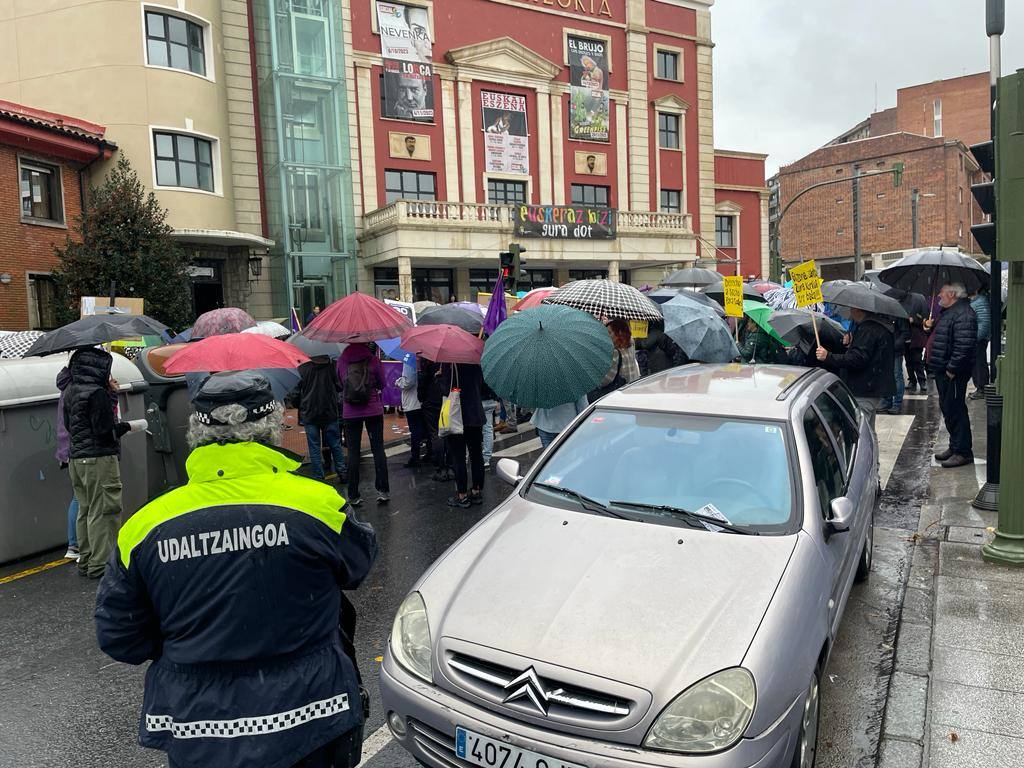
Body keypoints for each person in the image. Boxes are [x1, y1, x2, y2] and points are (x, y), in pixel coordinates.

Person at [95, 371, 377, 768]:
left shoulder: (145, 526)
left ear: (197, 433)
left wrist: (193, 646)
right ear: (273, 427)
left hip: (199, 726)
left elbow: (119, 636)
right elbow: (358, 566)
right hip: (311, 716)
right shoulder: (318, 504)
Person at [64, 348, 131, 579]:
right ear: (99, 369)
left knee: (85, 509)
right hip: (98, 458)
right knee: (104, 510)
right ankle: (102, 564)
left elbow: (69, 425)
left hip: (76, 459)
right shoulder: (97, 393)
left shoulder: (70, 390)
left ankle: (87, 560)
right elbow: (105, 431)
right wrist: (126, 427)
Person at [815, 308, 896, 433]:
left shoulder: (868, 329)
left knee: (861, 432)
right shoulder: (873, 326)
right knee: (869, 431)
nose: (850, 312)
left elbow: (857, 359)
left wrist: (828, 356)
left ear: (858, 310)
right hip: (870, 387)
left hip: (864, 388)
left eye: (852, 309)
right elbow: (864, 353)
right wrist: (851, 345)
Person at [925, 283, 978, 468]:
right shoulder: (949, 312)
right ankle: (955, 446)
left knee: (955, 410)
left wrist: (952, 369)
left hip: (953, 373)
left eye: (942, 291)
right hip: (944, 370)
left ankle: (963, 452)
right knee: (948, 409)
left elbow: (964, 345)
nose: (939, 294)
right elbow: (942, 337)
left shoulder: (964, 314)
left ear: (952, 294)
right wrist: (928, 327)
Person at [337, 344, 390, 505]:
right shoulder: (373, 360)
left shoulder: (342, 361)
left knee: (353, 452)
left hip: (350, 412)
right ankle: (383, 490)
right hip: (373, 409)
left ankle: (353, 494)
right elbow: (382, 383)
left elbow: (340, 384)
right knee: (378, 449)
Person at [442, 362, 486, 508]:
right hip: (475, 414)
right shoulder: (475, 361)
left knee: (458, 456)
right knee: (476, 454)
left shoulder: (450, 363)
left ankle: (462, 494)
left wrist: (439, 377)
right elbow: (481, 385)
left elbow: (445, 389)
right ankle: (476, 490)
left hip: (458, 415)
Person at [298, 354, 346, 483]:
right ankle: (342, 472)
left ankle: (318, 477)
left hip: (310, 412)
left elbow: (296, 392)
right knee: (335, 444)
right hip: (329, 410)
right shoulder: (331, 367)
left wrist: (301, 405)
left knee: (314, 447)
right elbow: (339, 387)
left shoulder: (303, 368)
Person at [55, 367, 79, 561]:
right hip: (78, 449)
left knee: (77, 497)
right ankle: (76, 544)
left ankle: (74, 544)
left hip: (66, 449)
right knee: (82, 498)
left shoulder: (65, 387)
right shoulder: (76, 388)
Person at [589, 319, 640, 402]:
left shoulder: (615, 352)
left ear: (619, 333)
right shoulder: (630, 344)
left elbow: (606, 380)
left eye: (609, 332)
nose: (606, 335)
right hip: (629, 389)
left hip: (617, 395)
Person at [396, 354, 430, 468]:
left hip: (412, 401)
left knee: (415, 431)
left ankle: (415, 457)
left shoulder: (409, 359)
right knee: (424, 429)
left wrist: (398, 382)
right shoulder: (424, 357)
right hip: (422, 399)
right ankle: (430, 453)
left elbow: (408, 382)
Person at [901, 290, 930, 393]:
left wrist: (914, 320)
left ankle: (922, 380)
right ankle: (912, 380)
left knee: (917, 360)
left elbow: (925, 319)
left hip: (916, 337)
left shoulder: (919, 299)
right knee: (908, 361)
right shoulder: (901, 300)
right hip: (904, 336)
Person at [969, 288, 991, 400]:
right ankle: (979, 388)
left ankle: (982, 388)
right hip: (976, 338)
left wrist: (975, 338)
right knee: (976, 363)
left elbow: (984, 323)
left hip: (978, 340)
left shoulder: (980, 301)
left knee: (979, 363)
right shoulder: (975, 301)